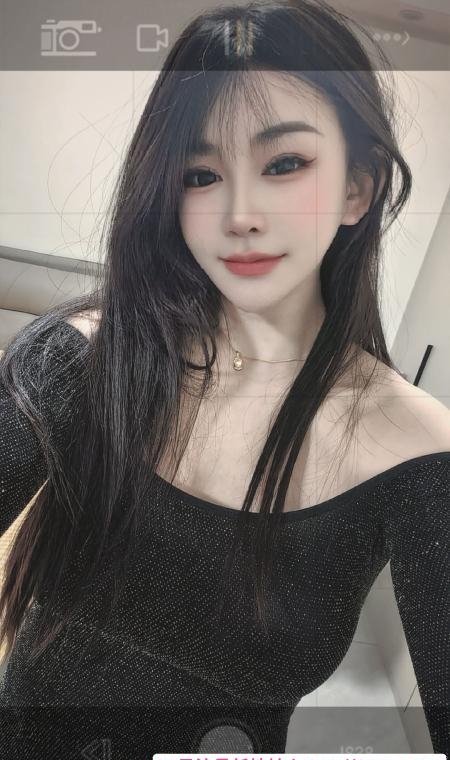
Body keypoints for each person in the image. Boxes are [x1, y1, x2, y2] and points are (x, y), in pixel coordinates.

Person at [0, 0, 449, 756]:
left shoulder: (417, 449)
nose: (239, 214)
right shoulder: (80, 360)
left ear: (358, 187)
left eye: (284, 164)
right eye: (201, 174)